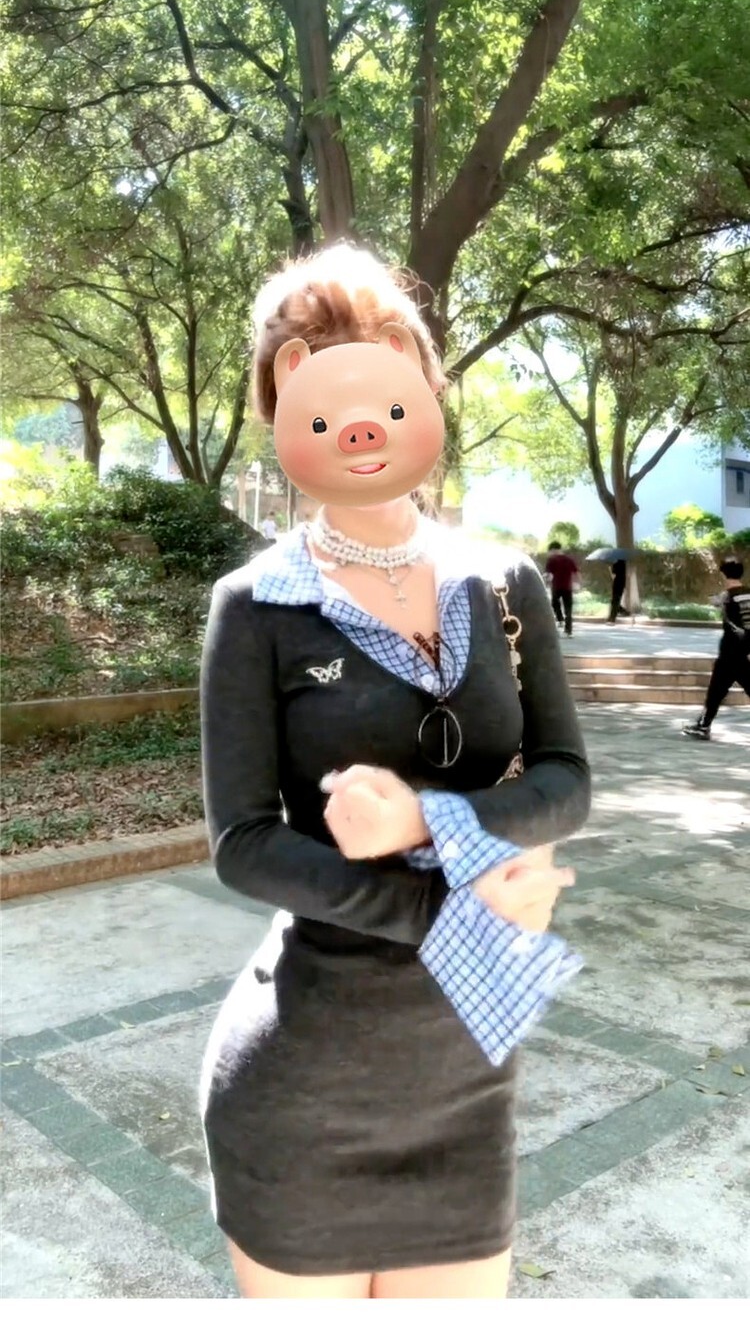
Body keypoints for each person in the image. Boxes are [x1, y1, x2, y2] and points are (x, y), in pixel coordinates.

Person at [198, 245, 591, 1300]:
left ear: (422, 381)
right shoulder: (258, 603)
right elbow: (243, 843)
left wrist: (426, 821)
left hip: (469, 1078)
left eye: (380, 355)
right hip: (305, 1082)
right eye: (316, 365)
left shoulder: (503, 580)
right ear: (285, 403)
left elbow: (567, 776)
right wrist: (451, 911)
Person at [682, 559, 750, 740]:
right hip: (744, 651)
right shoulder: (748, 594)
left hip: (729, 652)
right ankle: (703, 725)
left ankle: (703, 726)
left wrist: (718, 601)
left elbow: (720, 605)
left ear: (723, 574)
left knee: (715, 692)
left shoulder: (726, 597)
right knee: (719, 691)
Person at [544, 540, 579, 636]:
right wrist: (577, 583)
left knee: (554, 603)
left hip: (556, 587)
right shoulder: (569, 560)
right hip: (567, 587)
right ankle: (568, 630)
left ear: (553, 550)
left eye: (551, 551)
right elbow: (576, 572)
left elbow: (548, 575)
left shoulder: (551, 560)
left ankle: (560, 619)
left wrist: (546, 582)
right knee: (568, 609)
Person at [608, 558, 627, 623]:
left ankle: (612, 618)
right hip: (622, 583)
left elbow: (613, 574)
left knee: (615, 600)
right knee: (616, 600)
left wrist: (610, 569)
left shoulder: (616, 563)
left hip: (617, 583)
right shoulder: (623, 563)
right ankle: (620, 610)